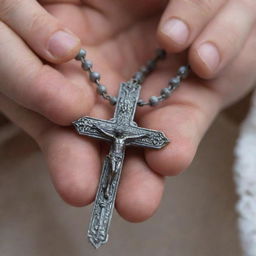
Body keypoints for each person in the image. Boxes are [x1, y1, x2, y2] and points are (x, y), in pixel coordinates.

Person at [0, 0, 255, 223]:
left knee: (114, 171)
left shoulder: (125, 135)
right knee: (108, 171)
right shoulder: (106, 127)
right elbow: (88, 125)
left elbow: (157, 139)